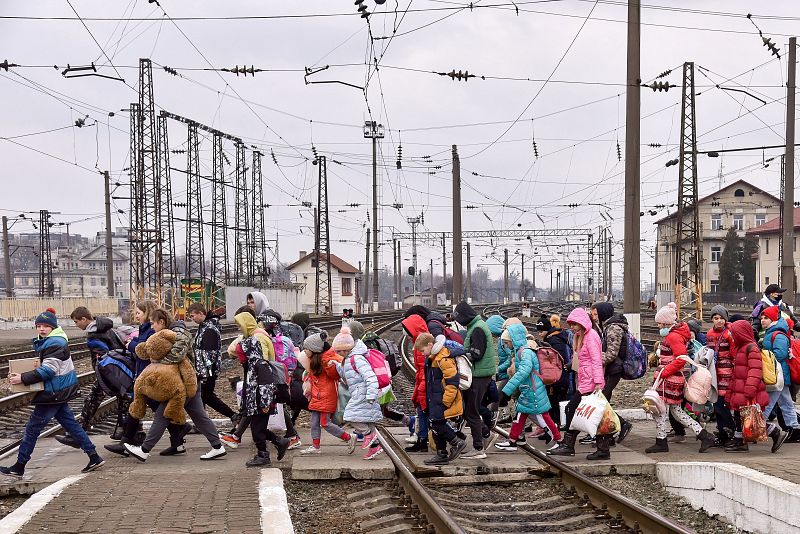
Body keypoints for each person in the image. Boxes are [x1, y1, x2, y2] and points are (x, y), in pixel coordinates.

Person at [0, 308, 104, 476]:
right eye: (38, 326)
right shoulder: (52, 340)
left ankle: (19, 466)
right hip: (58, 390)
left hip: (54, 392)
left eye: (45, 326)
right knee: (72, 425)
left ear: (53, 327)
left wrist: (23, 378)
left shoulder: (55, 343)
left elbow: (48, 370)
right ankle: (94, 457)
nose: (41, 329)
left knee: (32, 429)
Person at [123, 309, 227, 461]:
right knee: (199, 417)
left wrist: (157, 361)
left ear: (162, 322)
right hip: (187, 380)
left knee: (162, 415)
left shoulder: (179, 332)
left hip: (181, 382)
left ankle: (144, 450)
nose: (151, 327)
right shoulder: (169, 332)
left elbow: (177, 355)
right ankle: (217, 447)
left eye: (153, 323)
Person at [105, 301, 186, 456]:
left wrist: (131, 345)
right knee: (157, 408)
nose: (136, 316)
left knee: (140, 404)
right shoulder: (146, 328)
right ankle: (178, 439)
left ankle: (126, 442)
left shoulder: (152, 329)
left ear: (147, 313)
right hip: (145, 372)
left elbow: (149, 350)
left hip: (150, 374)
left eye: (138, 313)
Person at [645, 303, 715, 454]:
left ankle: (661, 441)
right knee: (677, 411)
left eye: (660, 323)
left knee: (660, 411)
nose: (658, 326)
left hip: (669, 380)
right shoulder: (676, 334)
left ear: (666, 322)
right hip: (672, 378)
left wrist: (664, 372)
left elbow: (681, 359)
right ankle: (704, 436)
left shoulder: (673, 336)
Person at [56, 307, 129, 447]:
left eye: (76, 321)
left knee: (93, 399)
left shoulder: (94, 334)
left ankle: (77, 435)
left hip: (109, 372)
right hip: (119, 370)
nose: (76, 325)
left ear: (84, 319)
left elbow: (103, 357)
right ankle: (127, 431)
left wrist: (101, 373)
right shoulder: (105, 327)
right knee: (123, 399)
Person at [548, 307, 607, 458]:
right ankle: (602, 449)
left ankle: (568, 445)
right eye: (571, 324)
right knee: (595, 415)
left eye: (574, 324)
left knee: (572, 409)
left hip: (591, 383)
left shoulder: (591, 336)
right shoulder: (581, 337)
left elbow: (596, 360)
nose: (572, 327)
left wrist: (598, 382)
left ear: (582, 323)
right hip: (586, 381)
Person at [495, 323, 562, 452]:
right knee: (521, 414)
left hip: (533, 390)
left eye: (507, 343)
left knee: (543, 416)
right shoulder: (523, 350)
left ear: (513, 340)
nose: (506, 346)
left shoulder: (524, 352)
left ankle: (558, 440)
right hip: (530, 389)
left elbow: (523, 372)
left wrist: (507, 389)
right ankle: (514, 439)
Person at [452, 301, 497, 459]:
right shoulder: (476, 326)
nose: (459, 322)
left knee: (471, 411)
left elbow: (477, 354)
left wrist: (458, 353)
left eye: (459, 318)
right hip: (479, 374)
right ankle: (485, 434)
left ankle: (478, 448)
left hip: (478, 375)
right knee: (470, 410)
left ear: (464, 316)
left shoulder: (477, 329)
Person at [299, 332, 356, 455]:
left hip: (326, 395)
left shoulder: (326, 360)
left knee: (325, 423)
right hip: (318, 395)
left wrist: (330, 366)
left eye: (306, 349)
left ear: (314, 350)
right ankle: (315, 446)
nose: (304, 351)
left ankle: (349, 437)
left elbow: (335, 375)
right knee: (314, 422)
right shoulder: (315, 360)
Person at [417, 333, 467, 465]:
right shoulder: (434, 357)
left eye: (423, 350)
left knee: (438, 424)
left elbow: (452, 382)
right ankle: (441, 453)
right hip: (435, 398)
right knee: (435, 424)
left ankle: (456, 441)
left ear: (430, 345)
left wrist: (446, 401)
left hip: (441, 399)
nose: (422, 353)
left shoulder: (443, 359)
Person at [187, 303, 238, 426]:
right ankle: (202, 423)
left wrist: (204, 373)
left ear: (201, 313)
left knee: (206, 396)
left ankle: (233, 415)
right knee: (203, 397)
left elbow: (209, 354)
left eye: (193, 316)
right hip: (204, 370)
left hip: (207, 371)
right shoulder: (205, 326)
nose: (192, 319)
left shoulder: (209, 329)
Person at [725, 319, 771, 453]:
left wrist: (750, 389)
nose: (731, 335)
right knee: (740, 415)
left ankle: (774, 432)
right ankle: (740, 440)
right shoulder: (741, 347)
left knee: (750, 416)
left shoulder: (751, 348)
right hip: (740, 388)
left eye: (733, 333)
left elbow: (755, 370)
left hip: (747, 389)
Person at [591, 302, 633, 445]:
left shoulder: (613, 328)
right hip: (611, 368)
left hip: (614, 369)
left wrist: (594, 360)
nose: (594, 317)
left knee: (602, 401)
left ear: (603, 313)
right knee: (604, 402)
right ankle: (609, 435)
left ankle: (621, 425)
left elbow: (611, 354)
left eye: (596, 314)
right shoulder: (608, 326)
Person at [757, 306, 794, 452]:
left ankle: (759, 426)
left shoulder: (777, 334)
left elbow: (780, 354)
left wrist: (764, 353)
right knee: (786, 403)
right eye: (761, 318)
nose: (762, 320)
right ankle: (794, 428)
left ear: (773, 319)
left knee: (768, 403)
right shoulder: (772, 333)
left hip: (777, 375)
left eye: (766, 318)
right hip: (778, 374)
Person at [343, 337, 384, 460]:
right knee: (368, 420)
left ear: (346, 348)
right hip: (362, 393)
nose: (338, 353)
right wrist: (336, 365)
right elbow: (349, 373)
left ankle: (368, 435)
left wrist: (371, 394)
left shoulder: (357, 358)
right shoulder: (350, 358)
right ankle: (374, 447)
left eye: (339, 351)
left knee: (350, 415)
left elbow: (370, 377)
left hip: (364, 393)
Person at [705, 305, 736, 447]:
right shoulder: (710, 333)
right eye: (716, 318)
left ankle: (730, 431)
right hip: (714, 373)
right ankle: (724, 433)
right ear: (712, 319)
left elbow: (734, 354)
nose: (719, 321)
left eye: (721, 318)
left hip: (727, 373)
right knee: (717, 406)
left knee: (721, 405)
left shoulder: (729, 334)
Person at [401, 312, 431, 453]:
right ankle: (422, 440)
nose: (407, 336)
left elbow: (424, 371)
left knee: (425, 414)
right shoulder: (420, 342)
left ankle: (454, 438)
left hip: (425, 386)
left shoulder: (421, 347)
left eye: (408, 332)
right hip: (424, 385)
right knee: (423, 413)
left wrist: (420, 390)